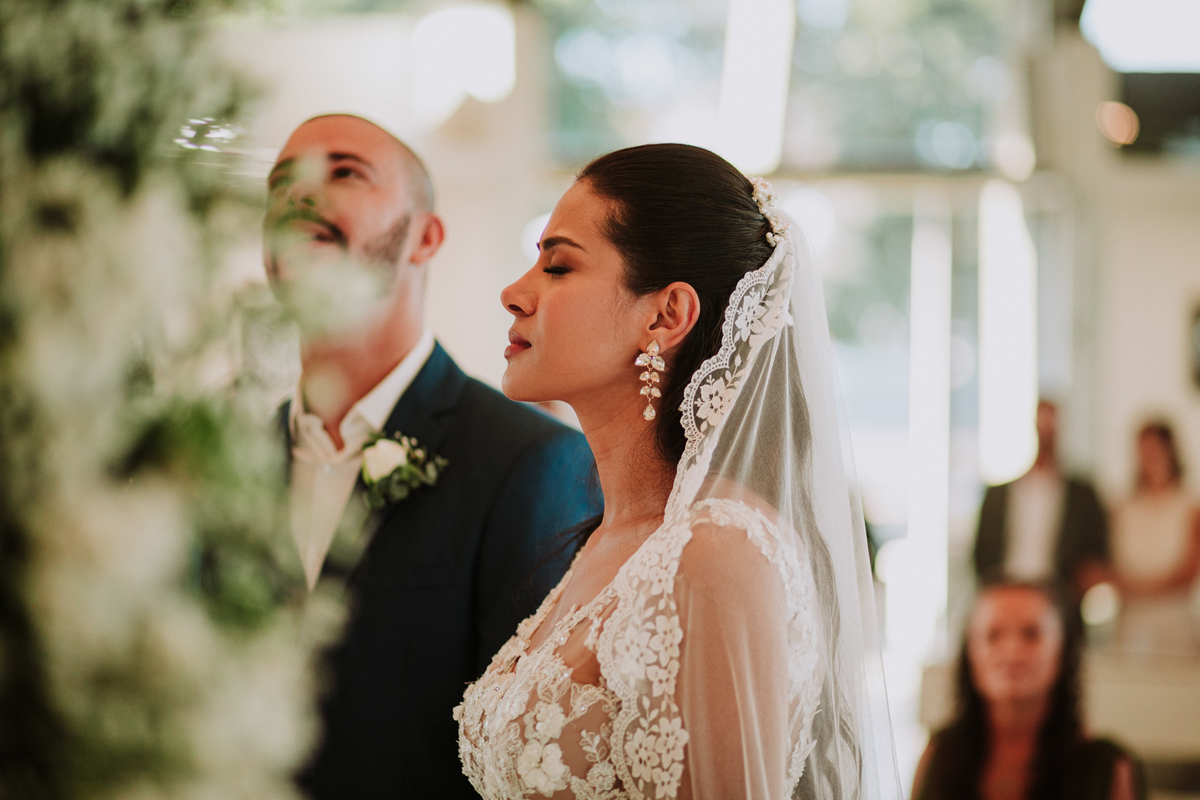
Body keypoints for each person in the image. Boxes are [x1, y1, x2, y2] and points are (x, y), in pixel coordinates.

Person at [455, 144, 899, 799]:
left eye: (557, 265)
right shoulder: (614, 539)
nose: (515, 292)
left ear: (666, 316)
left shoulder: (712, 553)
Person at [263, 114, 599, 800]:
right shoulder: (214, 458)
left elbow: (522, 761)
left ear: (426, 236)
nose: (299, 195)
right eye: (280, 183)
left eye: (345, 171)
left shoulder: (531, 462)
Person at [912, 582, 1145, 800]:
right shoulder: (939, 755)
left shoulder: (1107, 767)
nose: (1012, 651)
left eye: (1031, 634)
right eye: (993, 635)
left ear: (1062, 653)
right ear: (969, 654)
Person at [974, 401, 1109, 594]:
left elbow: (1095, 554)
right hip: (1005, 588)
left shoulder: (1082, 495)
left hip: (1058, 593)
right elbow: (982, 552)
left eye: (1052, 427)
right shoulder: (998, 494)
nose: (1047, 433)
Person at [1108, 420, 1200, 655]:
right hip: (1130, 616)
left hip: (1173, 617)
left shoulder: (1189, 506)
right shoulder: (1122, 507)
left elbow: (1189, 570)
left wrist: (1145, 588)